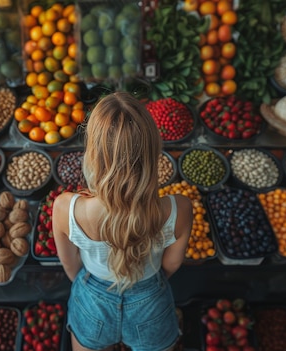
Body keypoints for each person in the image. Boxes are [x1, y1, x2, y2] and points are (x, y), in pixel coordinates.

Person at [52, 92, 193, 351]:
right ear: (153, 151)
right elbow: (171, 264)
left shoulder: (65, 207)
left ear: (93, 152)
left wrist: (92, 285)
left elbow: (70, 266)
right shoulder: (179, 208)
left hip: (92, 298)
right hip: (150, 299)